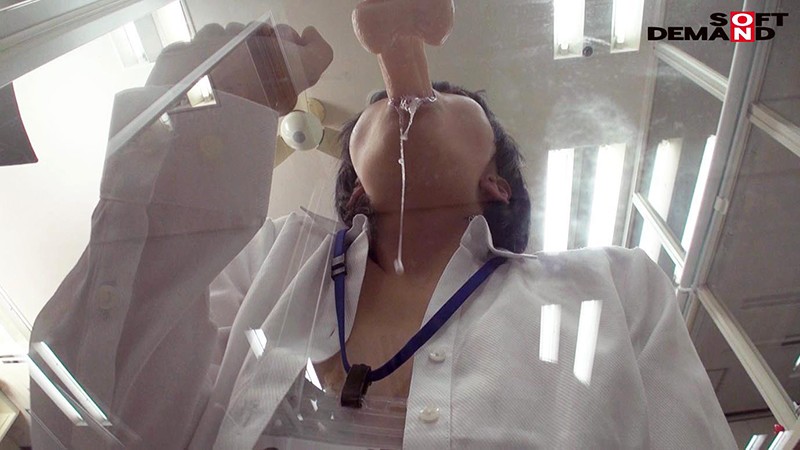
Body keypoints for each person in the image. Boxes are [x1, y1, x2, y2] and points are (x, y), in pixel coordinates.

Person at [29, 20, 737, 450]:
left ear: (496, 182)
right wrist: (203, 132)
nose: (402, 97)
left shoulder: (610, 289)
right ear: (359, 190)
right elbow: (89, 426)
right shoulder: (264, 263)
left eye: (452, 99)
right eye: (372, 111)